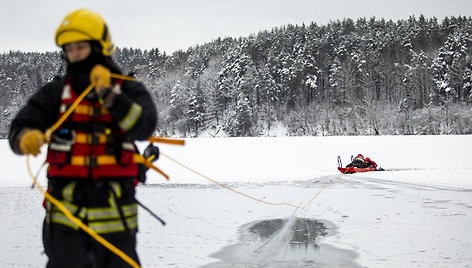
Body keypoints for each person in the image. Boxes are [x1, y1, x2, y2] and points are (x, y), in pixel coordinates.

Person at [8, 9, 157, 268]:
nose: (74, 55)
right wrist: (25, 136)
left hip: (117, 224)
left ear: (99, 48)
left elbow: (143, 127)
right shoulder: (56, 92)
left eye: (81, 48)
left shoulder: (127, 88)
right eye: (69, 49)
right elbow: (19, 127)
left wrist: (109, 95)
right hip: (66, 226)